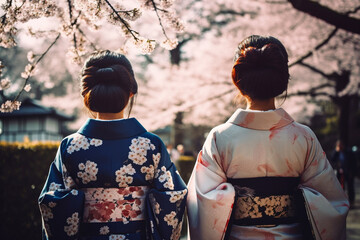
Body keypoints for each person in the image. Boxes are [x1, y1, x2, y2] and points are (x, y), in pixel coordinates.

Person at [186, 35, 349, 240]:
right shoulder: (303, 137)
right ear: (283, 78)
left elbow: (200, 203)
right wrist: (295, 199)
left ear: (237, 80)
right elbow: (331, 202)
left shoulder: (220, 137)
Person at [38, 50, 187, 240]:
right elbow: (172, 198)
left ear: (86, 93)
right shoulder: (151, 145)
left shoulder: (70, 147)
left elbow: (53, 203)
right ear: (131, 92)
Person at [331, 140, 356, 206]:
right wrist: (336, 151)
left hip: (348, 172)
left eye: (341, 145)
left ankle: (351, 201)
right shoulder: (336, 153)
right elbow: (332, 160)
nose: (340, 147)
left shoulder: (349, 152)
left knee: (350, 187)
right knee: (341, 188)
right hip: (340, 173)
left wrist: (352, 172)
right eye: (339, 145)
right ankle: (343, 202)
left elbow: (354, 163)